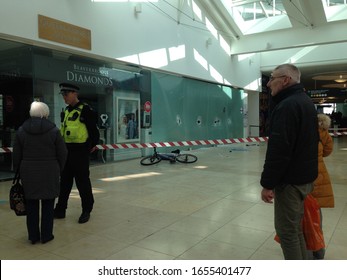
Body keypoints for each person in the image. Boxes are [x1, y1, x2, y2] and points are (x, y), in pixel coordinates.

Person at [260, 63, 318, 260]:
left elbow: (279, 151)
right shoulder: (305, 101)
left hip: (291, 181)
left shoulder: (287, 106)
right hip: (304, 178)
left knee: (287, 233)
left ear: (286, 80)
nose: (268, 84)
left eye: (273, 78)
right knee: (296, 229)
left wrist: (268, 184)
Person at [13, 101, 67, 244]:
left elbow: (16, 155)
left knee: (31, 205)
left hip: (28, 172)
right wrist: (58, 168)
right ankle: (46, 235)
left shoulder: (21, 131)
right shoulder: (54, 131)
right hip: (50, 171)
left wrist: (20, 169)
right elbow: (63, 153)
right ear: (45, 114)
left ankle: (33, 236)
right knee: (48, 204)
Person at [54, 83, 100, 224]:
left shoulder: (86, 110)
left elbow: (94, 131)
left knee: (83, 183)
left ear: (75, 93)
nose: (64, 97)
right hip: (67, 152)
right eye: (62, 95)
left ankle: (86, 210)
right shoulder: (66, 111)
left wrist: (92, 145)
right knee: (65, 183)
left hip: (80, 152)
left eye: (66, 94)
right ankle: (61, 209)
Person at [310, 113, 334, 259]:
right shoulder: (324, 133)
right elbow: (328, 150)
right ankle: (319, 251)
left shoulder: (306, 130)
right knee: (317, 215)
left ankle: (308, 249)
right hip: (320, 173)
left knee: (304, 210)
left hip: (306, 174)